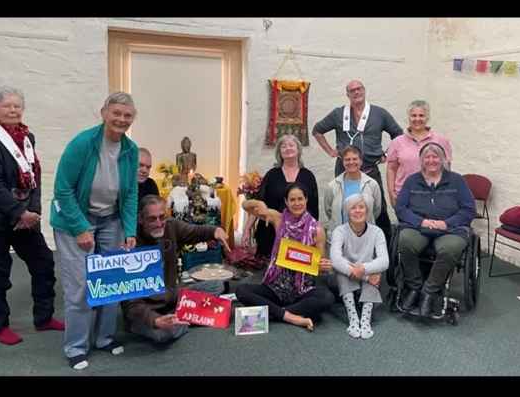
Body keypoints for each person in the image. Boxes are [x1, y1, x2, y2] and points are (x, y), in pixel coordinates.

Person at [50, 91, 140, 370]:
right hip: (75, 219)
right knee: (80, 287)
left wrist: (129, 230)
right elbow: (62, 189)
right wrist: (80, 227)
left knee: (110, 282)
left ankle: (103, 338)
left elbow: (130, 192)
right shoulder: (83, 143)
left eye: (127, 115)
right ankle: (76, 347)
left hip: (111, 219)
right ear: (104, 113)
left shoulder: (131, 149)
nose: (121, 119)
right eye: (116, 113)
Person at [0, 86, 64, 345]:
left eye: (17, 106)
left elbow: (34, 177)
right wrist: (19, 212)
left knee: (44, 263)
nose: (13, 110)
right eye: (7, 106)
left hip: (25, 218)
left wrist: (33, 211)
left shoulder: (27, 137)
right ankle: (0, 326)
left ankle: (43, 318)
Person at [120, 195, 229, 343]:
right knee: (164, 335)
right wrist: (155, 320)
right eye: (152, 219)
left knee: (217, 285)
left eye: (162, 217)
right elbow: (130, 304)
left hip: (169, 295)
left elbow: (194, 232)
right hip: (145, 306)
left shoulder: (170, 225)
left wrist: (215, 230)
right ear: (140, 219)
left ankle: (176, 317)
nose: (159, 223)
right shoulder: (128, 242)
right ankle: (181, 317)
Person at [312, 80, 403, 243]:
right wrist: (330, 151)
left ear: (364, 90)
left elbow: (398, 134)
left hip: (370, 169)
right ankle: (342, 244)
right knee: (343, 206)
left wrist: (387, 154)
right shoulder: (339, 114)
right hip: (344, 169)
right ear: (347, 95)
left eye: (359, 89)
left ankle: (384, 247)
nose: (356, 92)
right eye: (352, 90)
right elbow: (317, 130)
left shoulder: (379, 113)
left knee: (379, 210)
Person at [236, 183, 335, 331]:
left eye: (300, 199)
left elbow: (319, 265)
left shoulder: (317, 230)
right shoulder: (278, 219)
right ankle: (292, 317)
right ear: (286, 202)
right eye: (292, 200)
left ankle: (277, 312)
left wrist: (324, 267)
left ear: (306, 200)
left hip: (302, 289)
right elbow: (245, 206)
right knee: (242, 290)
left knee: (327, 298)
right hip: (276, 286)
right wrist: (259, 203)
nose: (296, 203)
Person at [394, 143, 476, 317]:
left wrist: (446, 223)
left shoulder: (457, 180)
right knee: (405, 242)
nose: (431, 160)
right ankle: (414, 287)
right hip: (418, 227)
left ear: (443, 159)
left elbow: (469, 210)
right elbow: (400, 208)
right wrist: (421, 222)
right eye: (427, 157)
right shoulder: (412, 181)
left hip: (450, 229)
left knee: (450, 249)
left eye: (435, 156)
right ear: (421, 160)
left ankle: (428, 292)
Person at [241, 135, 319, 265]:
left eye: (291, 145)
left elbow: (314, 208)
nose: (288, 148)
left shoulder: (308, 176)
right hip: (270, 232)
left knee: (295, 269)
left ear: (298, 149)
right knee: (270, 271)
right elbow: (257, 204)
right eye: (284, 146)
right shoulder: (272, 175)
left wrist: (314, 236)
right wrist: (246, 229)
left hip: (299, 234)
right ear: (279, 152)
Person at [330, 194, 388, 339]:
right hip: (346, 276)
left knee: (374, 272)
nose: (357, 211)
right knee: (344, 271)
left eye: (361, 207)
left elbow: (384, 261)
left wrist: (364, 269)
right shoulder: (339, 231)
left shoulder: (377, 232)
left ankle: (365, 320)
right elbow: (336, 260)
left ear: (367, 211)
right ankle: (353, 319)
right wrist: (366, 276)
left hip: (366, 273)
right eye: (353, 208)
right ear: (347, 212)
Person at [386, 100, 452, 207]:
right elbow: (391, 169)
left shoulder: (441, 140)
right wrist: (391, 193)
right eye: (414, 116)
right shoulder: (397, 142)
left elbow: (447, 168)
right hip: (404, 195)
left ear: (427, 118)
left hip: (433, 195)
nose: (417, 119)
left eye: (421, 115)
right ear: (408, 118)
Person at [324, 145, 381, 245]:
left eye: (355, 159)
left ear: (361, 161)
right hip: (340, 241)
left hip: (365, 240)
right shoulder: (333, 186)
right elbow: (329, 210)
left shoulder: (372, 184)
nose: (351, 162)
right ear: (343, 162)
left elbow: (375, 210)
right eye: (347, 159)